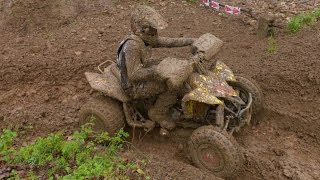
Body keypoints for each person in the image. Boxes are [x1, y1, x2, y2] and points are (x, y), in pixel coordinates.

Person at [117, 5, 196, 131]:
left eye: (154, 30)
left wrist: (190, 41)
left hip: (144, 70)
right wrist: (158, 72)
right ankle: (157, 113)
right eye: (151, 30)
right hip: (133, 86)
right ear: (140, 29)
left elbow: (168, 42)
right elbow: (133, 74)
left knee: (175, 68)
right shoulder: (132, 46)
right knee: (172, 85)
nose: (154, 33)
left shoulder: (144, 38)